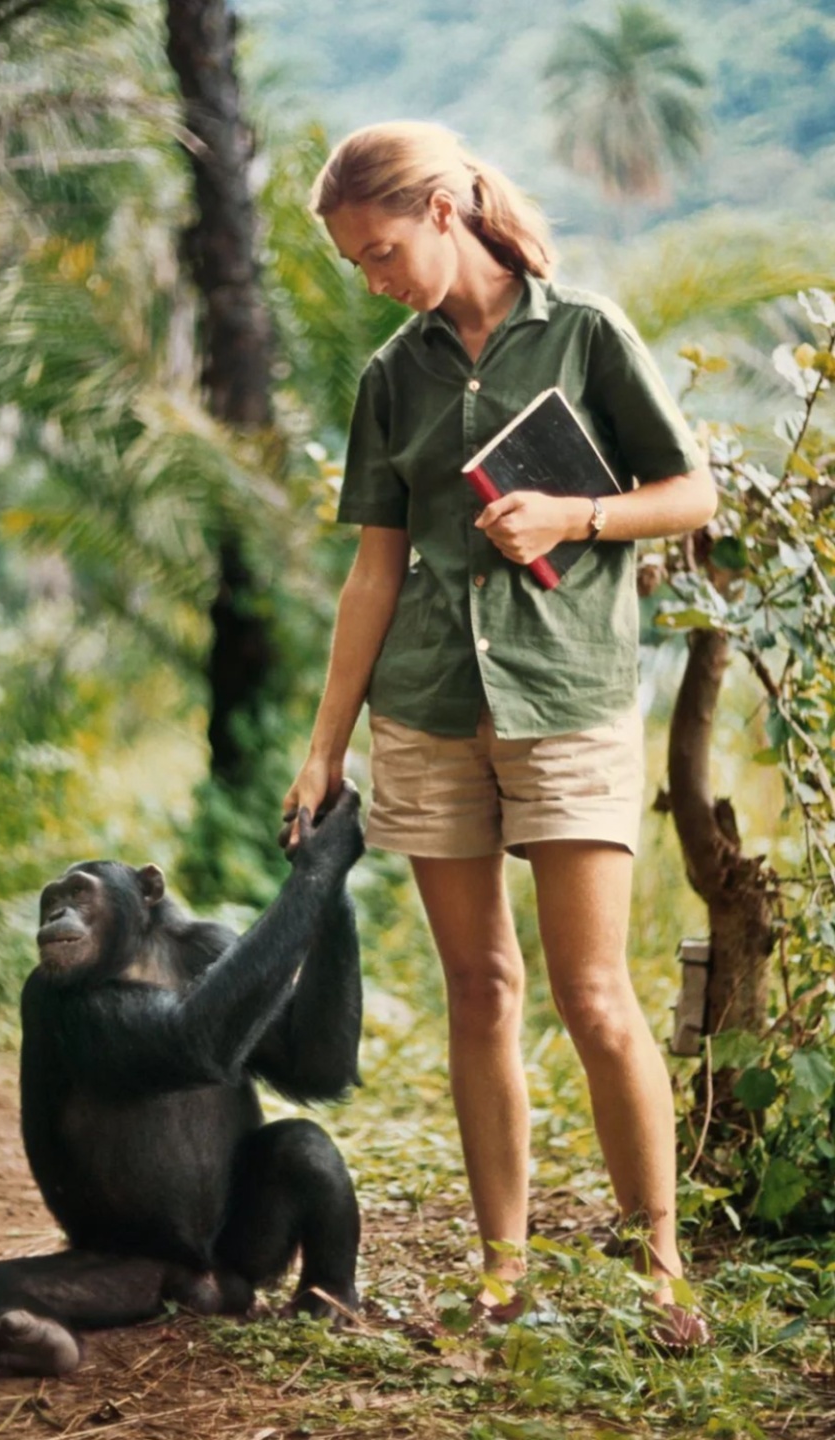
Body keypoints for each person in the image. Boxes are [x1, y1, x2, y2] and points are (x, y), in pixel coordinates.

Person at [282, 121, 717, 1347]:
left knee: (593, 992)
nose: (373, 279)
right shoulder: (390, 379)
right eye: (356, 264)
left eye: (379, 253)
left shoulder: (583, 333)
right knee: (481, 989)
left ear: (441, 208)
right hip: (426, 709)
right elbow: (374, 572)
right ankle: (502, 1271)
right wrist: (327, 745)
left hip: (567, 700)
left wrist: (577, 513)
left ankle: (659, 1267)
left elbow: (692, 494)